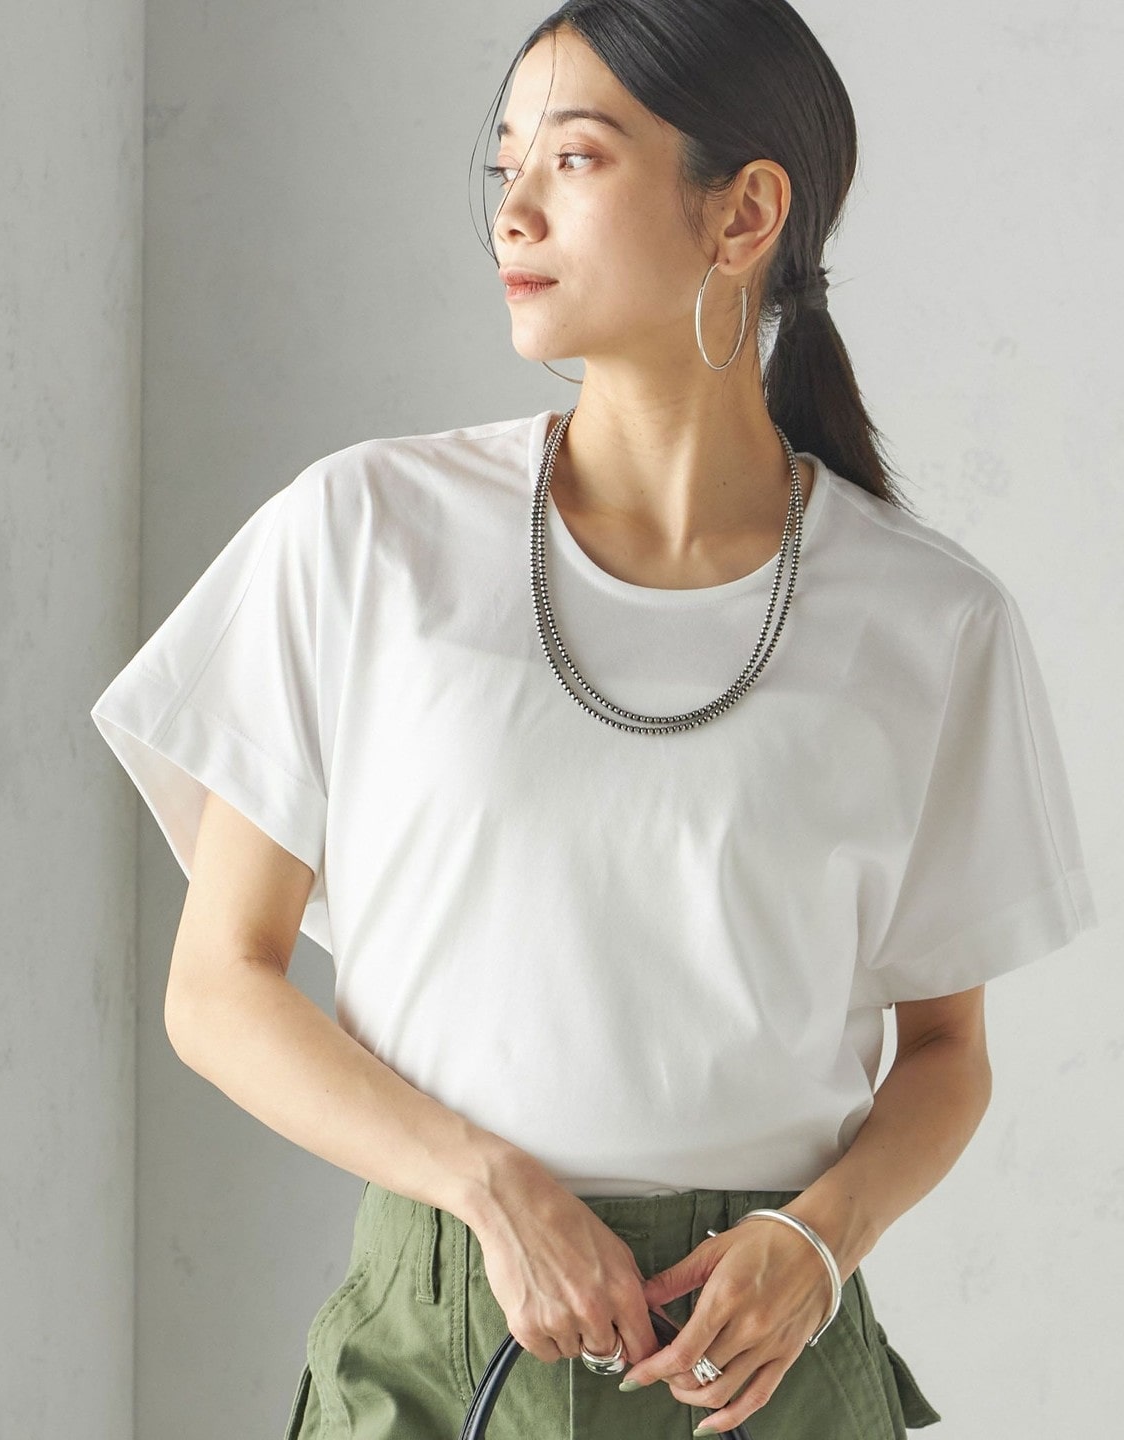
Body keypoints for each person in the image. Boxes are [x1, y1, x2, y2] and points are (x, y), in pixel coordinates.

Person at [90, 3, 1098, 1437]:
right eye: (503, 163)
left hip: (763, 1362)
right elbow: (218, 986)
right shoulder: (364, 534)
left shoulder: (931, 620)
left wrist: (820, 1243)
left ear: (744, 212)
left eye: (572, 158)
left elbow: (946, 1053)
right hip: (438, 1344)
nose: (512, 210)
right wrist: (488, 1186)